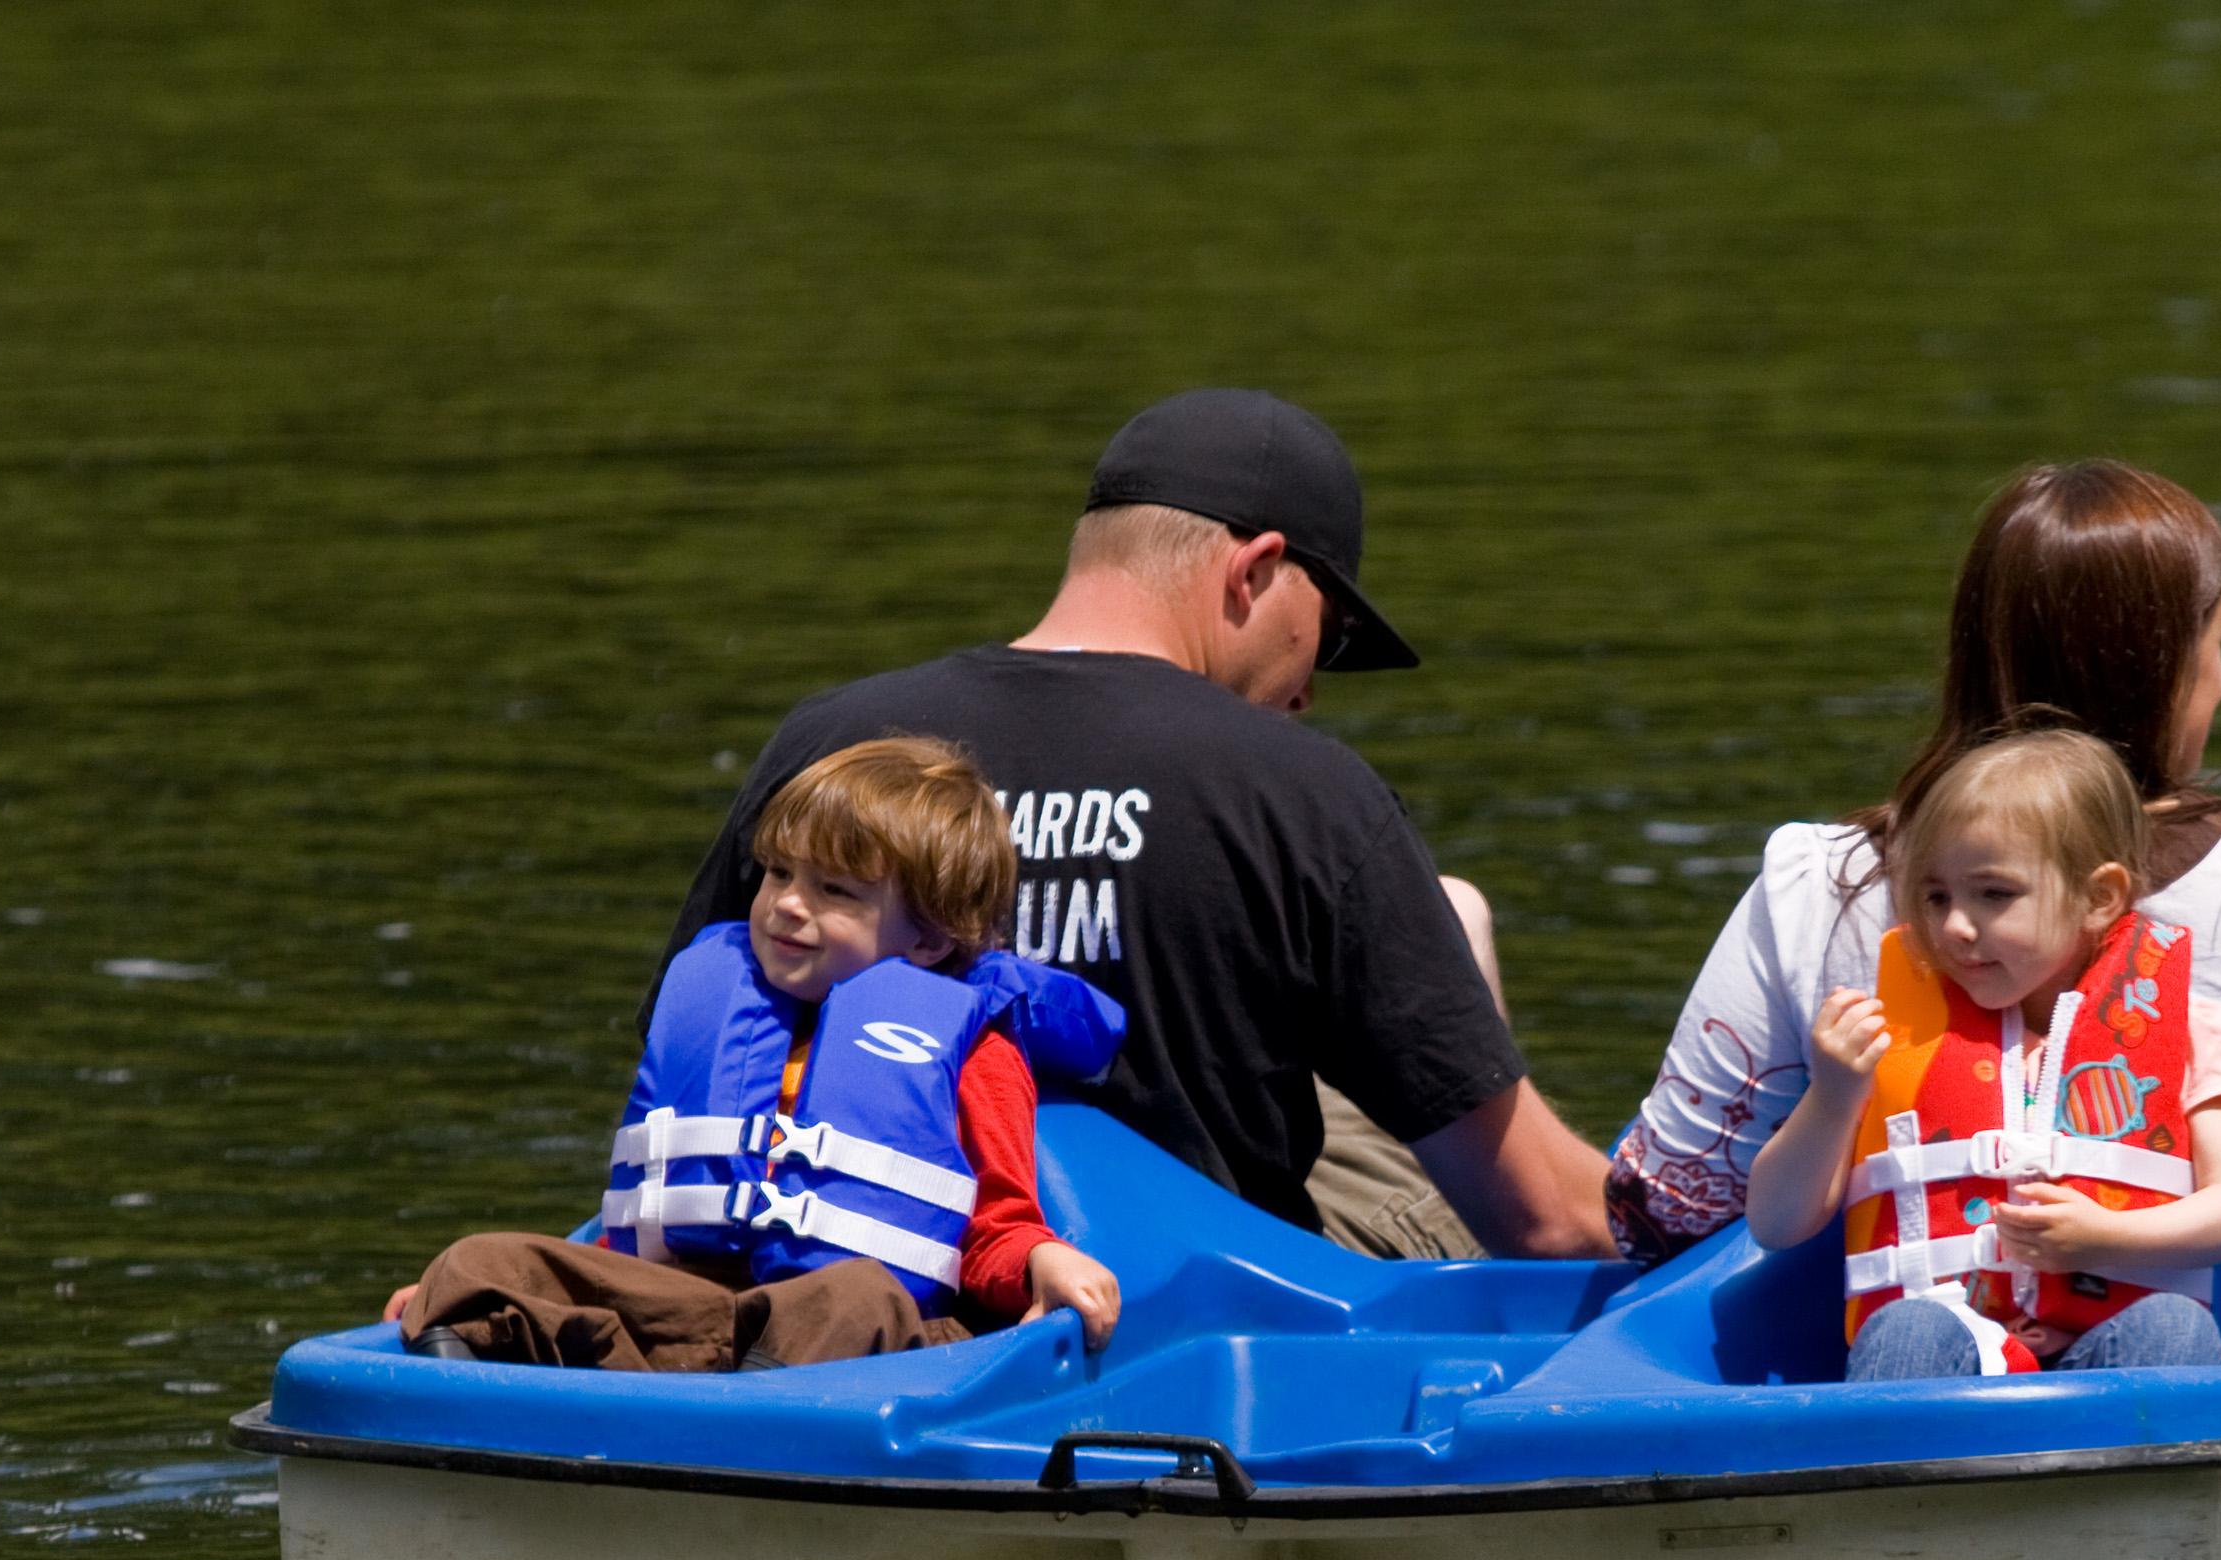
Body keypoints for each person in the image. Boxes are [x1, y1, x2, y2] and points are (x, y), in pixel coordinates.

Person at [652, 389, 1612, 1261]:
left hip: (885, 1261)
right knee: (1456, 919)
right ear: (1258, 569)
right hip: (1219, 1310)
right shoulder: (1306, 793)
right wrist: (1736, 1206)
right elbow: (1544, 1222)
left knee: (1443, 918)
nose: (1312, 688)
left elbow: (691, 1063)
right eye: (1333, 633)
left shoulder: (829, 742)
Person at [1613, 459, 2221, 1313]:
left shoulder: (1816, 885)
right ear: (2166, 670)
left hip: (1917, 1334)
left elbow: (1668, 1209)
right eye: (2219, 646)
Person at [387, 738, 1127, 1371]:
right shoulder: (721, 1001)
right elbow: (630, 1230)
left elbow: (997, 1224)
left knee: (857, 1294)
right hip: (682, 1316)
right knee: (478, 1262)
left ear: (928, 940)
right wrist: (509, 1291)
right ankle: (466, 1355)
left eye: (834, 890)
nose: (788, 904)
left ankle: (746, 1416)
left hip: (858, 1342)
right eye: (779, 873)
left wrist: (1039, 1261)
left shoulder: (973, 1047)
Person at [1751, 729, 2221, 1379]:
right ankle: (1911, 1474)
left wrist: (2106, 1236)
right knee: (1909, 1329)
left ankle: (2142, 1478)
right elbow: (1775, 1223)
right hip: (1947, 1343)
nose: (1956, 927)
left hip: (2106, 1352)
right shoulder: (1884, 1038)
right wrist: (1832, 1096)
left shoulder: (2192, 1032)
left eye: (1994, 894)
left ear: (2099, 897)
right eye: (1936, 896)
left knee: (2175, 1326)